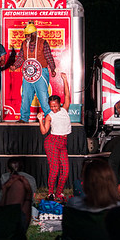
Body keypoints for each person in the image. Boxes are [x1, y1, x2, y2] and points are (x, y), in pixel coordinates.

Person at [10, 22, 56, 123]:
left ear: (34, 34)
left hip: (41, 73)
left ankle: (49, 118)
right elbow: (21, 57)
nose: (26, 37)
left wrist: (52, 69)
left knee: (43, 97)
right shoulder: (24, 44)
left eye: (28, 35)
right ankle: (24, 118)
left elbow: (49, 57)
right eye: (25, 35)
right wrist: (15, 66)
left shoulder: (43, 43)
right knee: (26, 96)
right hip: (28, 74)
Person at [38, 72, 71, 202]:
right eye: (51, 106)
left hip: (63, 142)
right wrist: (40, 120)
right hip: (52, 141)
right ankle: (51, 193)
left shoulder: (64, 110)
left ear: (59, 104)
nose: (53, 108)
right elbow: (44, 131)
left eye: (55, 105)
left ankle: (59, 193)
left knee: (66, 170)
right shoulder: (49, 115)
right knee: (55, 169)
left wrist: (65, 80)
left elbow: (67, 95)